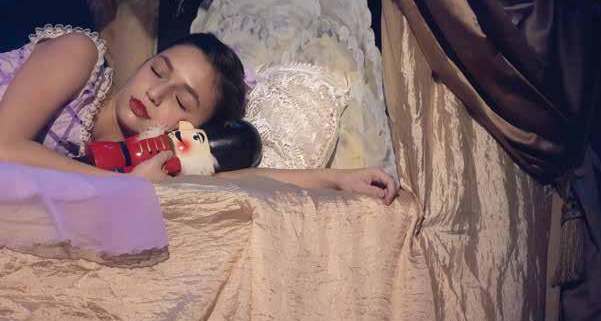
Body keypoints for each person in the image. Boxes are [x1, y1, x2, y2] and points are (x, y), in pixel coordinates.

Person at [0, 26, 398, 204]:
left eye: (181, 101)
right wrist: (124, 188)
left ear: (190, 131)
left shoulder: (146, 161)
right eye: (158, 70)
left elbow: (239, 180)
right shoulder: (79, 54)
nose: (154, 93)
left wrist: (336, 179)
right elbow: (5, 148)